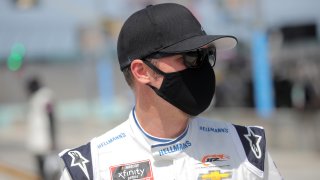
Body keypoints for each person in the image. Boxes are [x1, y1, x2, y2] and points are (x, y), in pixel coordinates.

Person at [59, 3, 282, 180]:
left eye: (207, 56)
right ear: (141, 71)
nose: (203, 68)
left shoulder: (246, 148)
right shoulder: (89, 168)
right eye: (191, 57)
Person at [25, 76, 57, 179]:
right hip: (36, 140)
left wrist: (53, 139)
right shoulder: (35, 98)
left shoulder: (45, 97)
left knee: (49, 171)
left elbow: (51, 117)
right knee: (41, 170)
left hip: (44, 139)